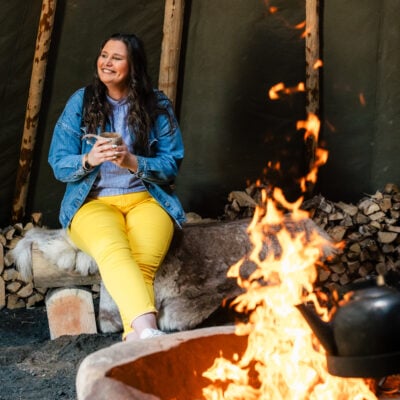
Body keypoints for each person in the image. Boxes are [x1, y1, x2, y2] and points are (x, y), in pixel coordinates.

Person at [48, 33, 186, 341]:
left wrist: (132, 161)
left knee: (142, 262)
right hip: (93, 202)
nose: (106, 63)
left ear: (133, 66)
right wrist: (89, 160)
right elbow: (58, 162)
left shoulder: (156, 105)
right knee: (113, 250)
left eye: (117, 58)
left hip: (147, 200)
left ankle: (135, 338)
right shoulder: (81, 102)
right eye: (104, 55)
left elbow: (172, 163)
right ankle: (148, 331)